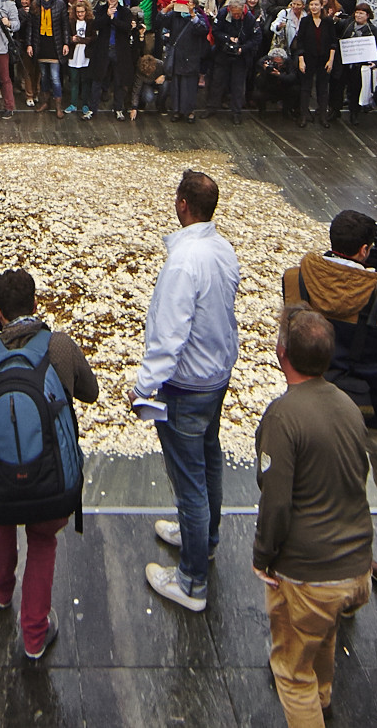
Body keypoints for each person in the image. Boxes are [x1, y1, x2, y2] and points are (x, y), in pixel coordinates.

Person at [282, 209, 377, 615]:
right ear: (365, 250)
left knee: (339, 494)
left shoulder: (298, 279)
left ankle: (339, 582)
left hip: (326, 404)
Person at [253, 306, 374, 728]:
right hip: (355, 567)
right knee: (321, 636)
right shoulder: (348, 406)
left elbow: (276, 500)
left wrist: (263, 555)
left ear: (281, 352)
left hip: (309, 574)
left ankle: (310, 709)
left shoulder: (283, 416)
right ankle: (322, 700)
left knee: (290, 673)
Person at [0, 268, 98, 662]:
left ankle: (2, 590)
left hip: (3, 486)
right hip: (51, 482)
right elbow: (90, 392)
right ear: (35, 305)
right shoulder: (58, 346)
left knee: (1, 522)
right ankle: (34, 636)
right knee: (43, 542)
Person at [138, 170, 241, 613]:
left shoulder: (182, 263)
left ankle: (192, 582)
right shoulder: (222, 248)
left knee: (190, 481)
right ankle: (204, 538)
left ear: (182, 204)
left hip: (186, 385)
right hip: (216, 376)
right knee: (209, 459)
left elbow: (169, 334)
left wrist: (145, 387)